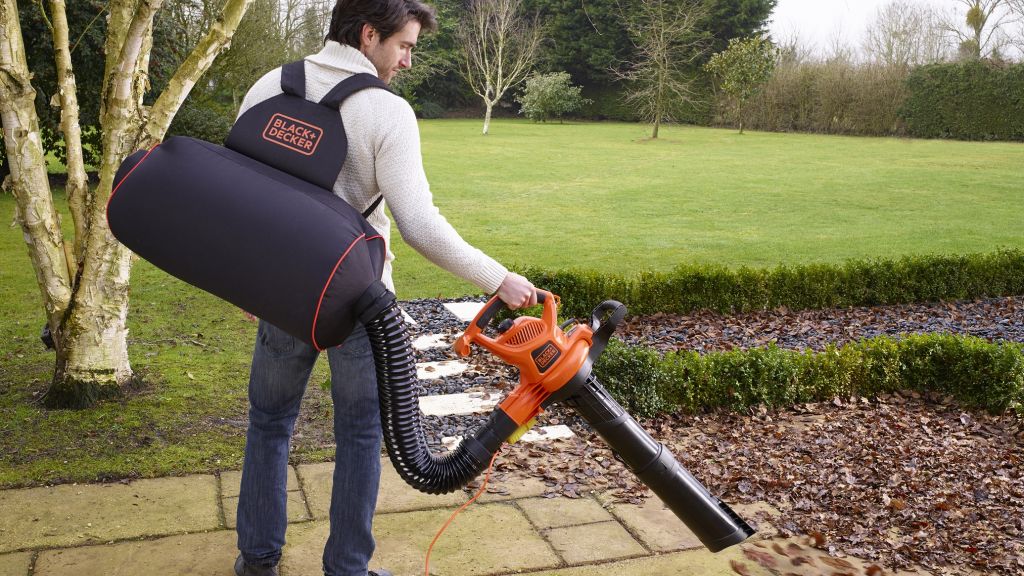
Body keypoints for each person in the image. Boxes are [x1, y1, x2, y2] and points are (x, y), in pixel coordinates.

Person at [232, 1, 537, 575]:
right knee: (360, 432)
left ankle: (257, 561)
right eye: (404, 46)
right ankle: (346, 568)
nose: (407, 61)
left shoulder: (270, 85)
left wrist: (252, 285)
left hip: (281, 293)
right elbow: (420, 226)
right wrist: (500, 279)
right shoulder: (386, 112)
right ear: (369, 35)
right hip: (360, 301)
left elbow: (242, 197)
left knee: (269, 422)